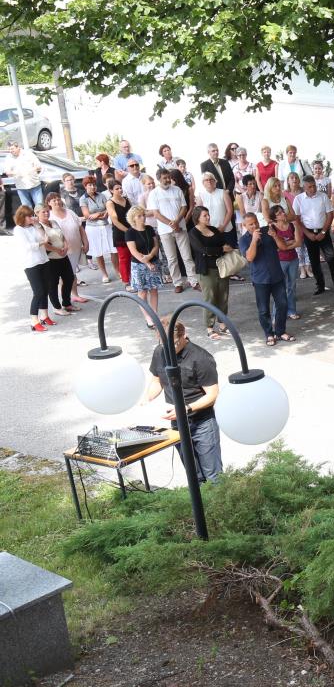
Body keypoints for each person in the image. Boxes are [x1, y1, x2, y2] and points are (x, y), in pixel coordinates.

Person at [145, 317, 223, 483]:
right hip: (178, 423)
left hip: (202, 423)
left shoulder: (201, 358)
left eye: (173, 344)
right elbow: (157, 381)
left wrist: (186, 408)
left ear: (183, 335)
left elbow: (213, 395)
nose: (168, 349)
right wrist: (146, 398)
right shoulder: (159, 352)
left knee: (214, 477)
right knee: (194, 476)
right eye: (164, 344)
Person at [239, 212, 293, 346]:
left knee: (282, 304)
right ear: (245, 226)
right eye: (251, 224)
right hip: (260, 279)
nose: (254, 226)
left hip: (276, 275)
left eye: (256, 222)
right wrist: (254, 240)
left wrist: (275, 236)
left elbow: (283, 247)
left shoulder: (267, 231)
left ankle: (280, 331)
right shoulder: (244, 240)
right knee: (263, 309)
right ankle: (269, 334)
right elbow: (250, 257)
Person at [293, 175, 334, 296]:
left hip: (323, 231)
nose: (313, 189)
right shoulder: (299, 199)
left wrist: (323, 232)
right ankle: (320, 286)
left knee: (331, 259)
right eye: (309, 187)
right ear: (304, 187)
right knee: (314, 261)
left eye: (314, 186)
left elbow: (330, 215)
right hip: (308, 232)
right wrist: (307, 233)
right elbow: (296, 219)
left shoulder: (323, 196)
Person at [148, 169, 198, 293]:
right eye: (164, 178)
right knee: (171, 258)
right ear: (159, 179)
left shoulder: (177, 190)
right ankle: (177, 283)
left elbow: (184, 207)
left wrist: (177, 222)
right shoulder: (154, 193)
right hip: (165, 231)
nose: (167, 180)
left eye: (168, 177)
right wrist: (172, 224)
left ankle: (193, 281)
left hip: (181, 227)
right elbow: (156, 213)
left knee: (187, 256)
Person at [188, 206, 233, 340]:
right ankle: (209, 327)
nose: (208, 217)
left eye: (208, 214)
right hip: (206, 270)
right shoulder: (193, 233)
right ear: (197, 218)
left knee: (223, 297)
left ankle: (222, 324)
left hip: (221, 268)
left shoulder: (214, 229)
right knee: (210, 298)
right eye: (205, 215)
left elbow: (224, 243)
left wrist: (220, 249)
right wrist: (220, 249)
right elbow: (203, 250)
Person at [35, 203, 78, 316]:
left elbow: (62, 236)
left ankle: (67, 303)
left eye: (47, 211)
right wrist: (57, 250)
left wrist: (65, 246)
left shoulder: (53, 222)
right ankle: (57, 307)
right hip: (51, 259)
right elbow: (44, 244)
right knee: (53, 283)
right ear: (37, 213)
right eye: (43, 212)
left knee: (69, 278)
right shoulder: (38, 227)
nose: (46, 213)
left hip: (63, 256)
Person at [48, 192, 93, 298]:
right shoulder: (49, 216)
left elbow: (80, 228)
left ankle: (74, 295)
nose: (57, 202)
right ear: (49, 203)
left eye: (58, 199)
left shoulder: (70, 212)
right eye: (54, 200)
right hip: (62, 251)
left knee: (72, 273)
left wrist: (86, 242)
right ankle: (67, 298)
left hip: (75, 248)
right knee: (65, 276)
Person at [124, 205, 163, 327]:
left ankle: (155, 314)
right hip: (139, 265)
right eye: (139, 216)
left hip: (153, 261)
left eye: (143, 215)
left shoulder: (149, 229)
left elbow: (156, 245)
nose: (143, 218)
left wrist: (150, 256)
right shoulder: (130, 232)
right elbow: (133, 251)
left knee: (154, 290)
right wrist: (147, 262)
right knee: (143, 292)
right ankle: (148, 317)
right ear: (133, 218)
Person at [16, 206, 53, 331]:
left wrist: (37, 225)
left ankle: (45, 316)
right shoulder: (18, 230)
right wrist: (42, 243)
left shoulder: (34, 227)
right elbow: (28, 246)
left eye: (33, 215)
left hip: (43, 260)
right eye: (29, 216)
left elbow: (45, 237)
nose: (32, 218)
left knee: (46, 289)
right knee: (38, 292)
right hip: (31, 264)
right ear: (22, 217)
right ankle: (34, 320)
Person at [268, 206, 304, 321]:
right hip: (279, 261)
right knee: (279, 288)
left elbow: (298, 243)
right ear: (274, 218)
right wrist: (288, 243)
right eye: (279, 213)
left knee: (291, 286)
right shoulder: (272, 228)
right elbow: (275, 247)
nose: (283, 213)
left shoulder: (292, 225)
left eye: (283, 211)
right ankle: (276, 314)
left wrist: (285, 245)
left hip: (293, 259)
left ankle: (291, 310)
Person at [79, 176, 118, 282]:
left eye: (94, 185)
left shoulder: (102, 195)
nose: (93, 187)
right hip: (93, 228)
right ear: (85, 186)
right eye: (90, 185)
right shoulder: (83, 199)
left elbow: (108, 208)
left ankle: (117, 271)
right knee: (98, 252)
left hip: (105, 225)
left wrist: (98, 214)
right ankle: (104, 274)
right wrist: (101, 214)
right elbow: (87, 215)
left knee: (113, 250)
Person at [196, 171, 236, 252]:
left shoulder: (223, 192)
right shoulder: (200, 195)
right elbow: (199, 214)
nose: (209, 181)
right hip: (210, 231)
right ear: (203, 183)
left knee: (231, 252)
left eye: (211, 179)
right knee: (217, 254)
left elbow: (230, 210)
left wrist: (223, 226)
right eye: (206, 180)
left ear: (215, 181)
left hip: (226, 229)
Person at [106, 181, 133, 288]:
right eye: (117, 189)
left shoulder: (127, 199)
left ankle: (134, 279)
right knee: (124, 258)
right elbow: (115, 221)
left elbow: (133, 214)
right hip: (120, 233)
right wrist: (128, 231)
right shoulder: (110, 203)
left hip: (131, 230)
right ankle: (126, 281)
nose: (120, 190)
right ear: (111, 190)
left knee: (134, 257)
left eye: (120, 188)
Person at [4, 142, 43, 208]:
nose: (11, 151)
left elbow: (39, 166)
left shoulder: (28, 154)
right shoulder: (8, 158)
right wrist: (16, 173)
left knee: (40, 207)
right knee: (26, 209)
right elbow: (7, 172)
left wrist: (30, 170)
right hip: (21, 187)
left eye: (12, 149)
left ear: (18, 147)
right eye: (9, 149)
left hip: (34, 185)